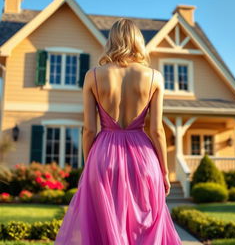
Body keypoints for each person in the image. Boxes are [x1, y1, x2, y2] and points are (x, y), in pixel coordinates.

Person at [55, 18, 182, 245]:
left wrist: (89, 165)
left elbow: (89, 129)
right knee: (144, 228)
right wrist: (163, 170)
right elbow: (157, 130)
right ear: (138, 42)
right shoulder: (154, 77)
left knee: (104, 228)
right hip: (144, 158)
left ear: (111, 40)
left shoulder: (93, 76)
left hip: (103, 156)